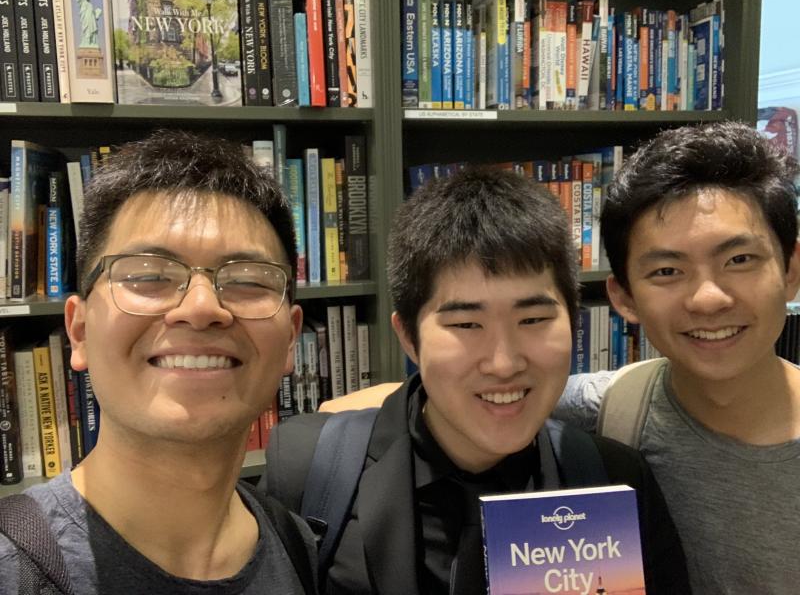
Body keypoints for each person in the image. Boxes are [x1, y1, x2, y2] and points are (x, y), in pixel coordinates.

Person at [263, 166, 689, 595]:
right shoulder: (308, 468)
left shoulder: (613, 480)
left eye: (534, 319)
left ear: (574, 324)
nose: (503, 363)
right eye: (467, 324)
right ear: (409, 338)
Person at [0, 130, 316, 594]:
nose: (203, 307)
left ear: (290, 338)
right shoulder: (13, 570)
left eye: (248, 280)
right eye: (149, 275)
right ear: (80, 330)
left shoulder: (297, 546)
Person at [553, 121, 800, 593]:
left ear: (790, 271)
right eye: (667, 270)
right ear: (623, 296)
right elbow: (432, 398)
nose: (708, 298)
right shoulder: (612, 406)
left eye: (739, 260)